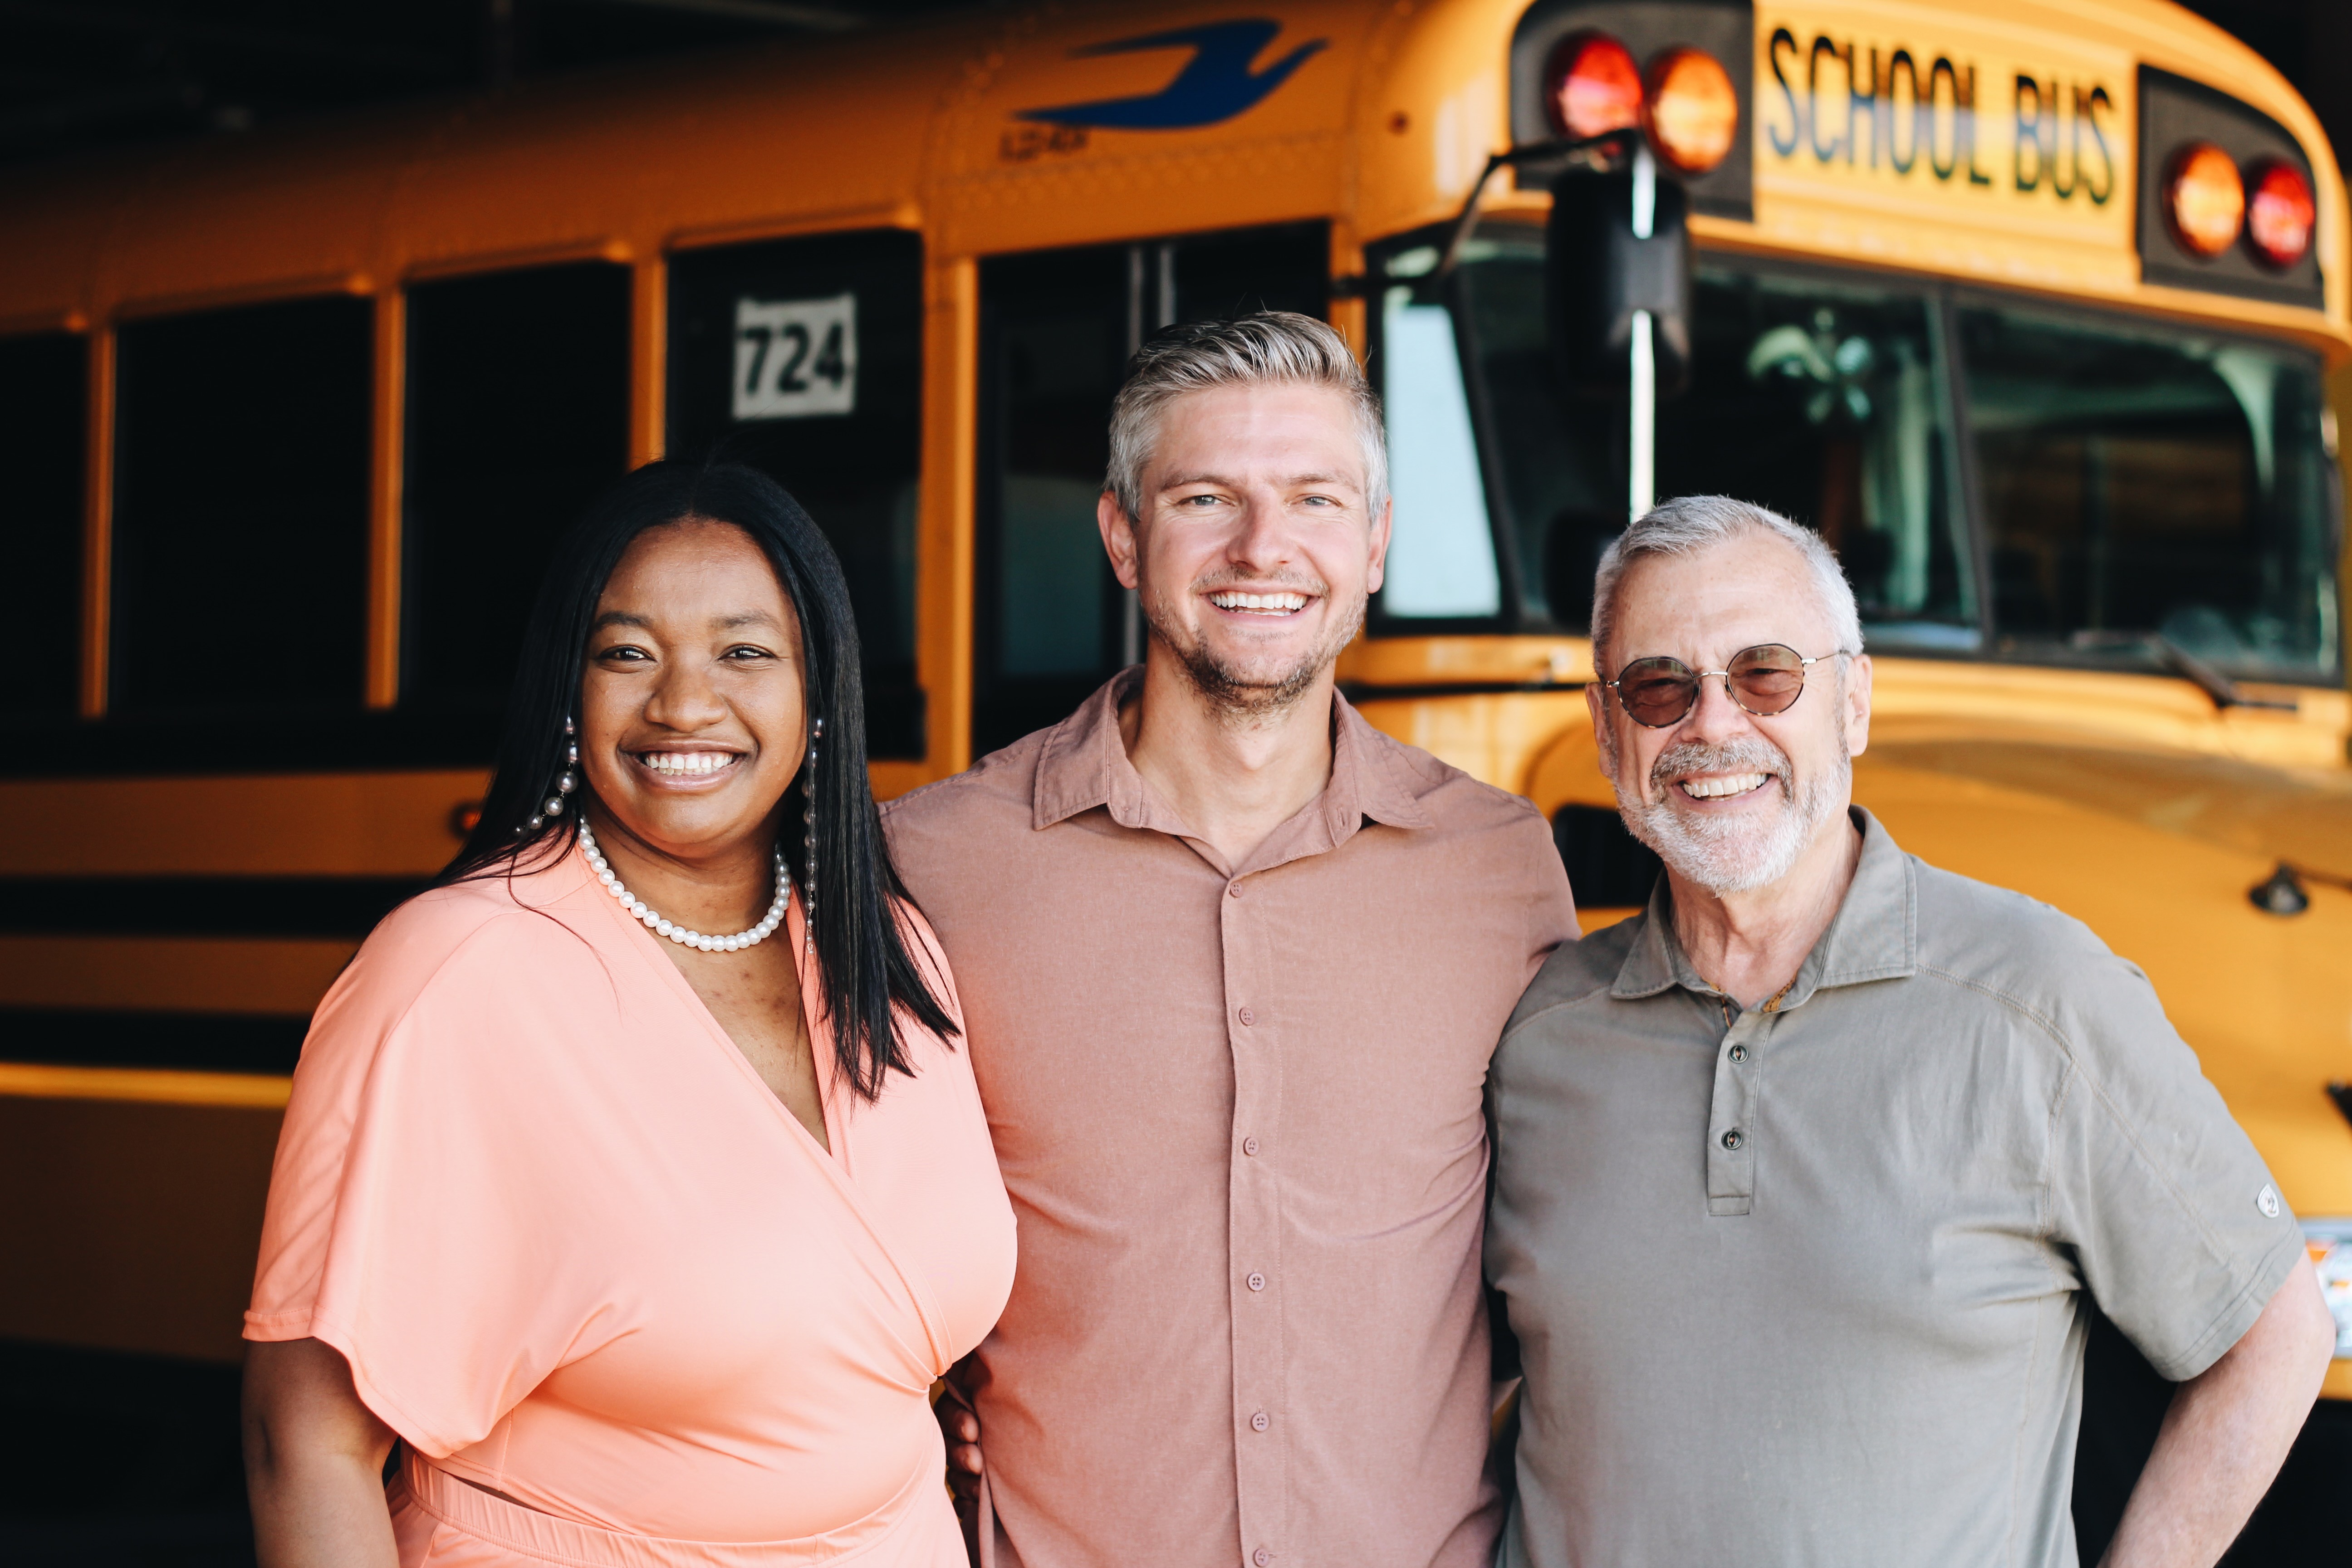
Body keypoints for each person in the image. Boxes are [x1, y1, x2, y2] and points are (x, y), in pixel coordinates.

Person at [1485, 495, 2336, 1567]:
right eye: (1660, 686)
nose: (1713, 725)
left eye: (1766, 674)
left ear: (1852, 703)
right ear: (1610, 729)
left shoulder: (2041, 998)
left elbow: (2273, 1331)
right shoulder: (1536, 1039)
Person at [883, 313, 1580, 1568]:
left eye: (1316, 499)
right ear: (1122, 538)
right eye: (1207, 497)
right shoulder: (936, 863)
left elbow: (1580, 1229)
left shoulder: (1499, 868)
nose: (1267, 547)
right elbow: (821, 1224)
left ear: (1372, 545)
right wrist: (901, 1395)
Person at [240, 461, 1015, 1568]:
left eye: (744, 652)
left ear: (821, 691)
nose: (684, 705)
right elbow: (302, 1440)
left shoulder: (891, 949)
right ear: (568, 686)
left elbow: (840, 1316)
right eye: (627, 653)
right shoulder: (456, 970)